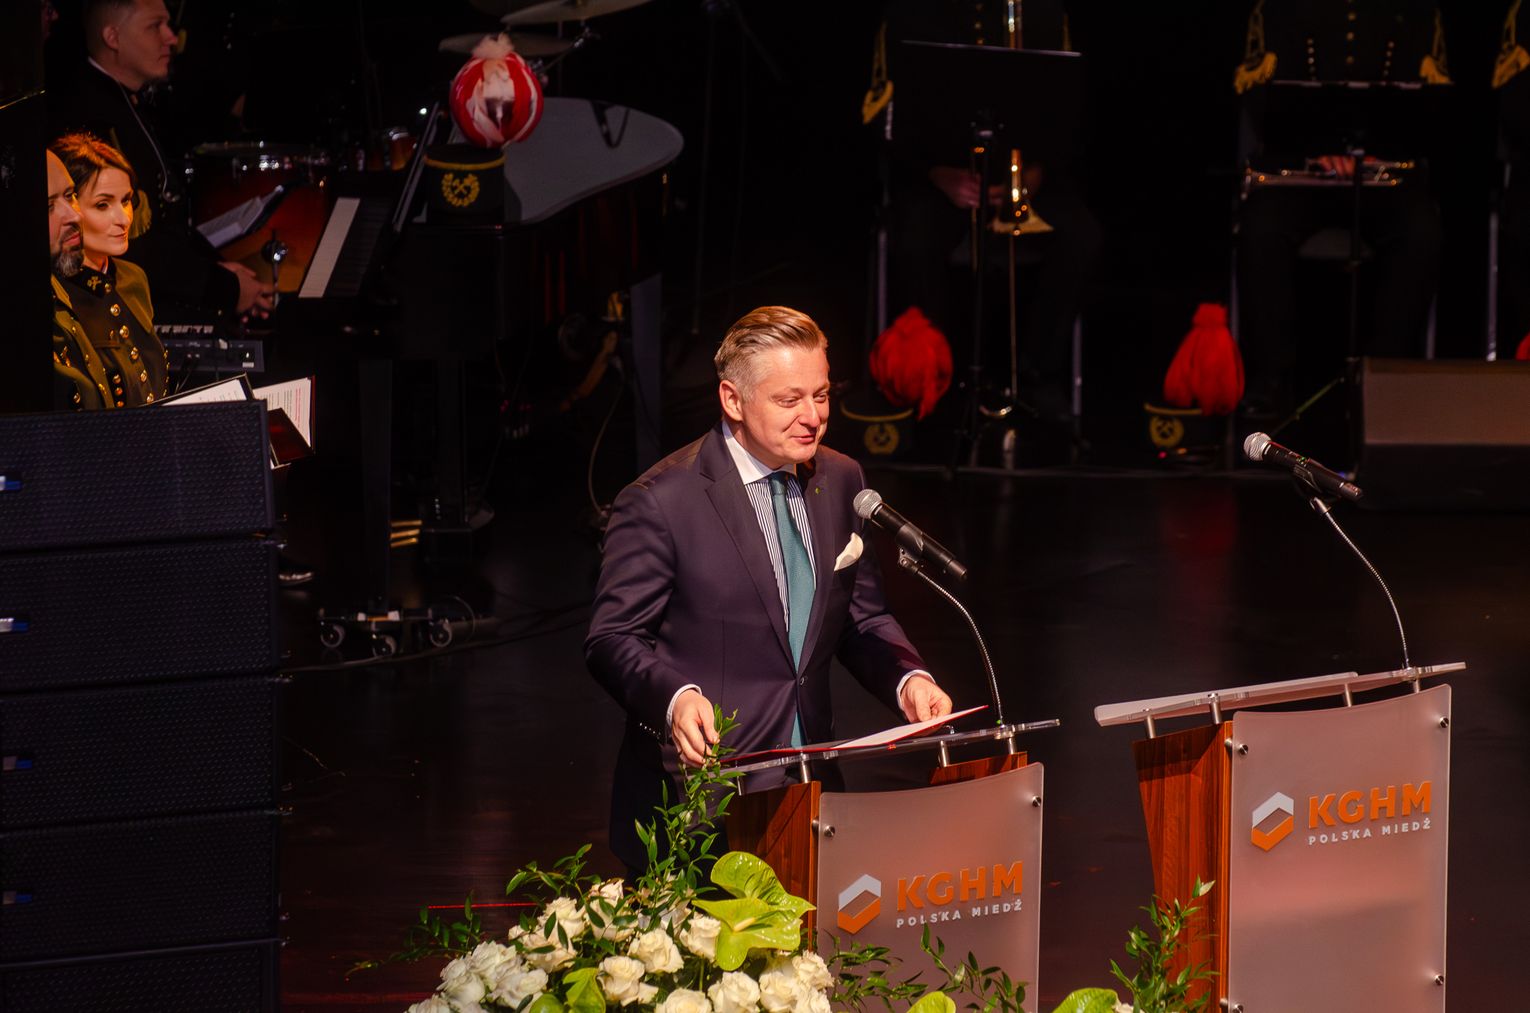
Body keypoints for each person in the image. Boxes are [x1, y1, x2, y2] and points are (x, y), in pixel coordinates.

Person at [586, 306, 953, 874]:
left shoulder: (842, 479)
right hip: (701, 802)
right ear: (733, 400)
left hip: (811, 795)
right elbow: (613, 638)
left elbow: (861, 617)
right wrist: (675, 698)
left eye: (822, 395)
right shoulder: (661, 501)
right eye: (789, 400)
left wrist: (908, 679)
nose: (813, 417)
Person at [878, 0, 1101, 419]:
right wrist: (936, 173)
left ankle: (1038, 372)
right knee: (915, 236)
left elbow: (1067, 111)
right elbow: (888, 116)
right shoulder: (913, 11)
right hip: (944, 176)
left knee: (1081, 236)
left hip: (1024, 179)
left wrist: (1036, 172)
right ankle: (934, 377)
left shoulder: (1045, 12)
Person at [1233, 0, 1448, 416]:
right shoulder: (1277, 9)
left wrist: (1378, 151)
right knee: (1261, 229)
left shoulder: (1416, 11)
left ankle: (1386, 379)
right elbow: (1258, 98)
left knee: (1421, 233)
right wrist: (1317, 152)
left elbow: (1431, 107)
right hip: (1302, 174)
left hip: (1383, 176)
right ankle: (1271, 380)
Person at [47, 0, 273, 323]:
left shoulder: (128, 101)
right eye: (155, 26)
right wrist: (225, 287)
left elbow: (168, 218)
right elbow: (130, 245)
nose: (171, 38)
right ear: (113, 38)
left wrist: (221, 271)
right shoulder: (85, 119)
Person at [50, 132, 168, 409]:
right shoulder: (58, 297)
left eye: (126, 200)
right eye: (102, 205)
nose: (123, 219)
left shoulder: (132, 277)